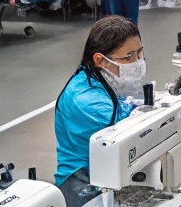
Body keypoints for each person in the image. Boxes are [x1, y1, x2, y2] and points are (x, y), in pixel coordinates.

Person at [54, 16, 143, 184]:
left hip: (106, 171)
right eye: (128, 56)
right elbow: (131, 131)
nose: (137, 62)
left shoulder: (102, 77)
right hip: (82, 181)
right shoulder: (86, 100)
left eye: (139, 53)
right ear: (100, 60)